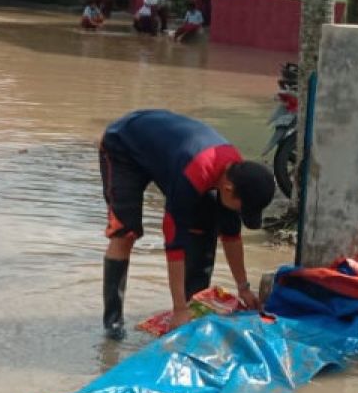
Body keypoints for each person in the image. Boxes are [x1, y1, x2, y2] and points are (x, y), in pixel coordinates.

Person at [99, 110, 277, 337]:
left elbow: (232, 235)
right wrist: (178, 309)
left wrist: (244, 288)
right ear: (228, 189)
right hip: (123, 145)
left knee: (206, 222)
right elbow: (174, 244)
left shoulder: (236, 174)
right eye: (243, 208)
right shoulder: (192, 178)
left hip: (169, 155)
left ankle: (194, 304)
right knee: (125, 234)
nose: (242, 213)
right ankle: (113, 325)